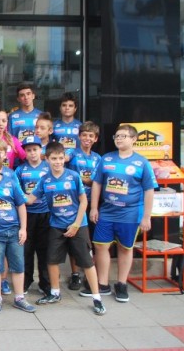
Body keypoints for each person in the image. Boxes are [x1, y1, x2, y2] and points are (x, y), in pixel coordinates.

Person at [27, 142, 107, 315]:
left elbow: (83, 201)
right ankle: (55, 293)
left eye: (60, 158)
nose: (57, 162)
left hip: (78, 225)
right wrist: (7, 191)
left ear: (64, 158)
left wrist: (76, 224)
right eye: (54, 159)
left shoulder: (73, 176)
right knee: (51, 260)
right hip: (56, 226)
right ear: (47, 159)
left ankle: (97, 298)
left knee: (86, 262)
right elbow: (30, 199)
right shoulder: (45, 180)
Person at [90, 124, 155, 303]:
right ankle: (103, 283)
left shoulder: (142, 162)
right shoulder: (106, 159)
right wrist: (94, 207)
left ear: (134, 139)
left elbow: (149, 190)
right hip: (107, 212)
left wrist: (146, 216)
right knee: (100, 246)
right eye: (116, 136)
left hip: (130, 214)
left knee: (125, 248)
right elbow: (97, 183)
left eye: (123, 136)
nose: (118, 139)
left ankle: (121, 284)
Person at [0, 151, 35, 315]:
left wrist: (23, 228)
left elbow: (21, 205)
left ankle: (19, 298)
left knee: (18, 265)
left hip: (14, 231)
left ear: (1, 168)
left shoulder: (11, 183)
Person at [15, 135, 51, 296]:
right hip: (28, 215)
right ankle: (26, 280)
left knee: (44, 250)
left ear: (41, 149)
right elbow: (17, 191)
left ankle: (45, 282)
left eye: (35, 149)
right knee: (26, 250)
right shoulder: (20, 170)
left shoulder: (48, 168)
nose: (32, 153)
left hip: (45, 214)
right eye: (28, 150)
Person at [69, 120, 102, 291]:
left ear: (96, 138)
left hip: (93, 203)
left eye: (90, 136)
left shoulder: (98, 158)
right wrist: (87, 180)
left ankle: (91, 275)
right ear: (79, 136)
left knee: (91, 240)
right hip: (74, 203)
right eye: (84, 135)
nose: (87, 138)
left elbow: (97, 181)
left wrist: (82, 179)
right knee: (75, 240)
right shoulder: (71, 153)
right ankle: (75, 274)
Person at [53, 93, 81, 161]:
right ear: (60, 108)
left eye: (70, 106)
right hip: (58, 162)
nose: (67, 108)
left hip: (76, 162)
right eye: (64, 105)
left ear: (75, 109)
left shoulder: (81, 126)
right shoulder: (53, 126)